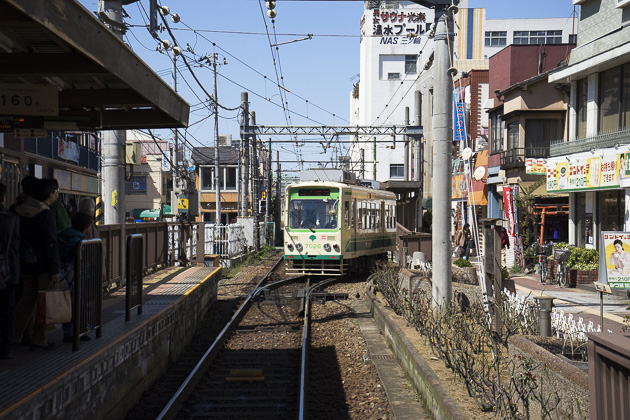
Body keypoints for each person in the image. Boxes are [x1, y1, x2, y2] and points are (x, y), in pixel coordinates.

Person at [13, 178, 60, 351]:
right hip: (43, 266)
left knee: (26, 300)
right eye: (56, 192)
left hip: (25, 262)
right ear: (50, 194)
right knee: (44, 302)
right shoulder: (45, 213)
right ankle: (39, 339)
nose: (56, 195)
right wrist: (54, 269)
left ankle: (13, 335)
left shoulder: (19, 209)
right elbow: (50, 243)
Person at [59, 212, 92, 342]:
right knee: (78, 303)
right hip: (74, 277)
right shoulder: (78, 241)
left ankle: (69, 332)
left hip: (66, 277)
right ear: (87, 226)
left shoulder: (67, 237)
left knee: (69, 304)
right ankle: (80, 331)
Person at [0, 183, 20, 359]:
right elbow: (15, 246)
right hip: (7, 272)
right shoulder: (12, 219)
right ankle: (6, 348)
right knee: (8, 311)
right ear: (4, 197)